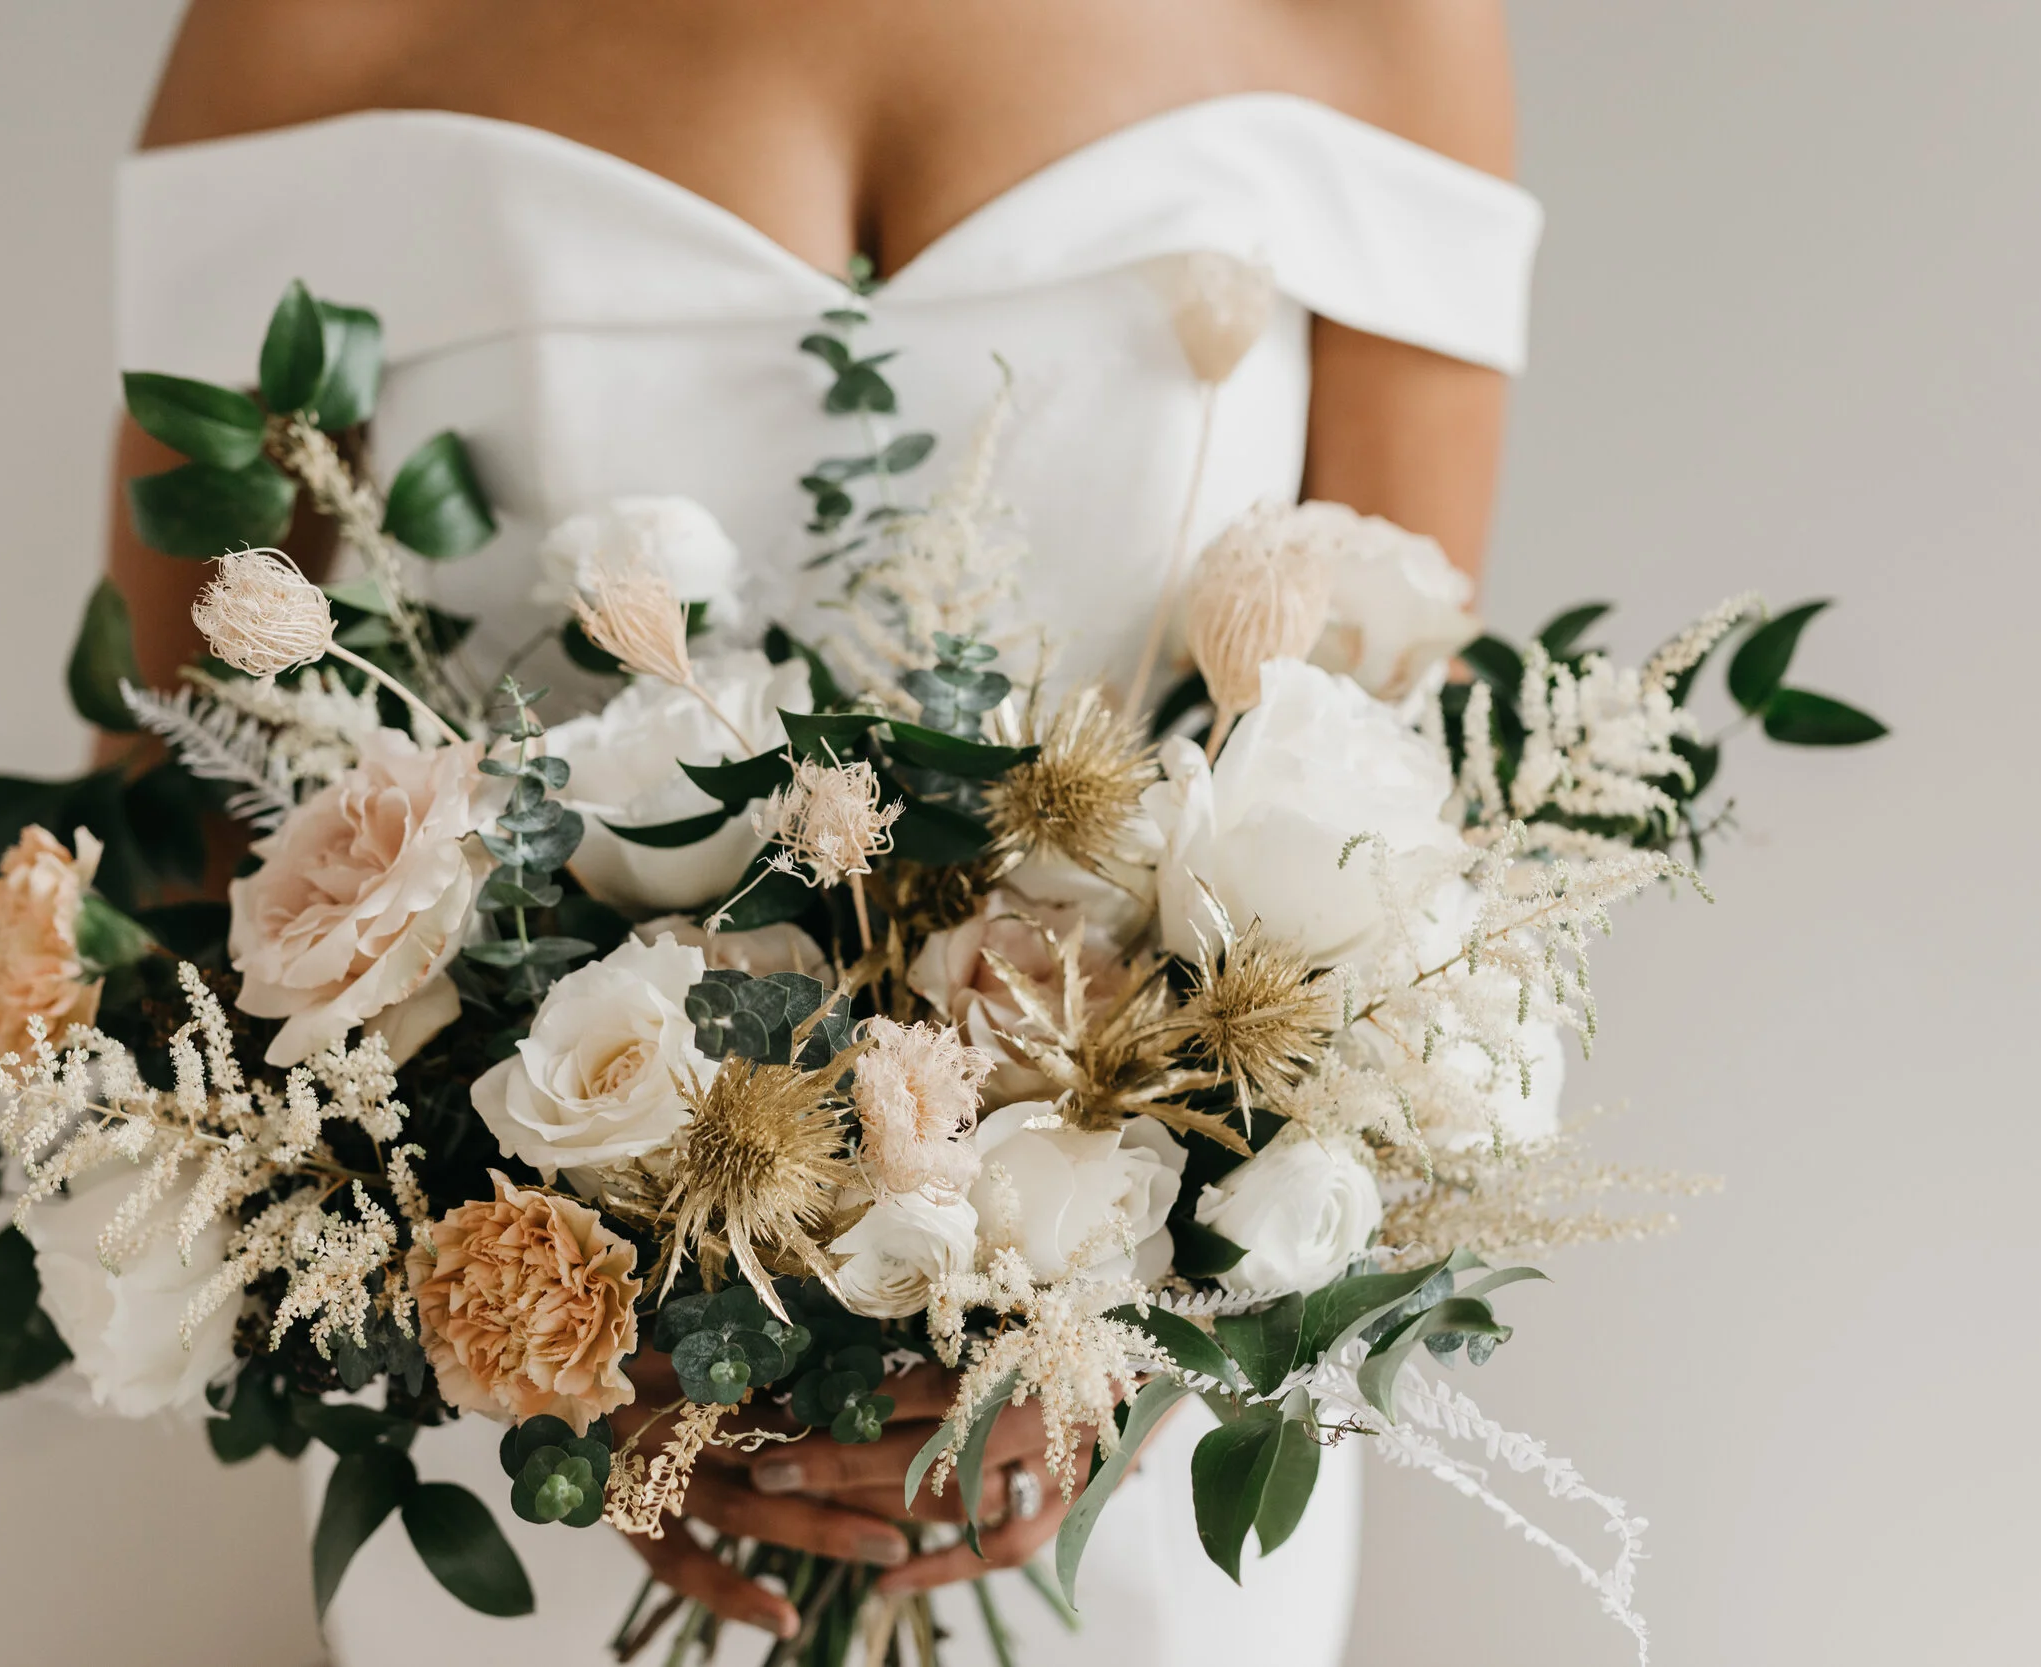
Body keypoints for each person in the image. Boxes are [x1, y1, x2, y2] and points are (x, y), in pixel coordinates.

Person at [105, 3, 1538, 1661]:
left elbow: (1396, 779)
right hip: (551, 1451)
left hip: (1100, 1455)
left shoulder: (1384, 21)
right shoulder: (308, 24)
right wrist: (573, 1329)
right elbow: (171, 809)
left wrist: (1110, 1319)